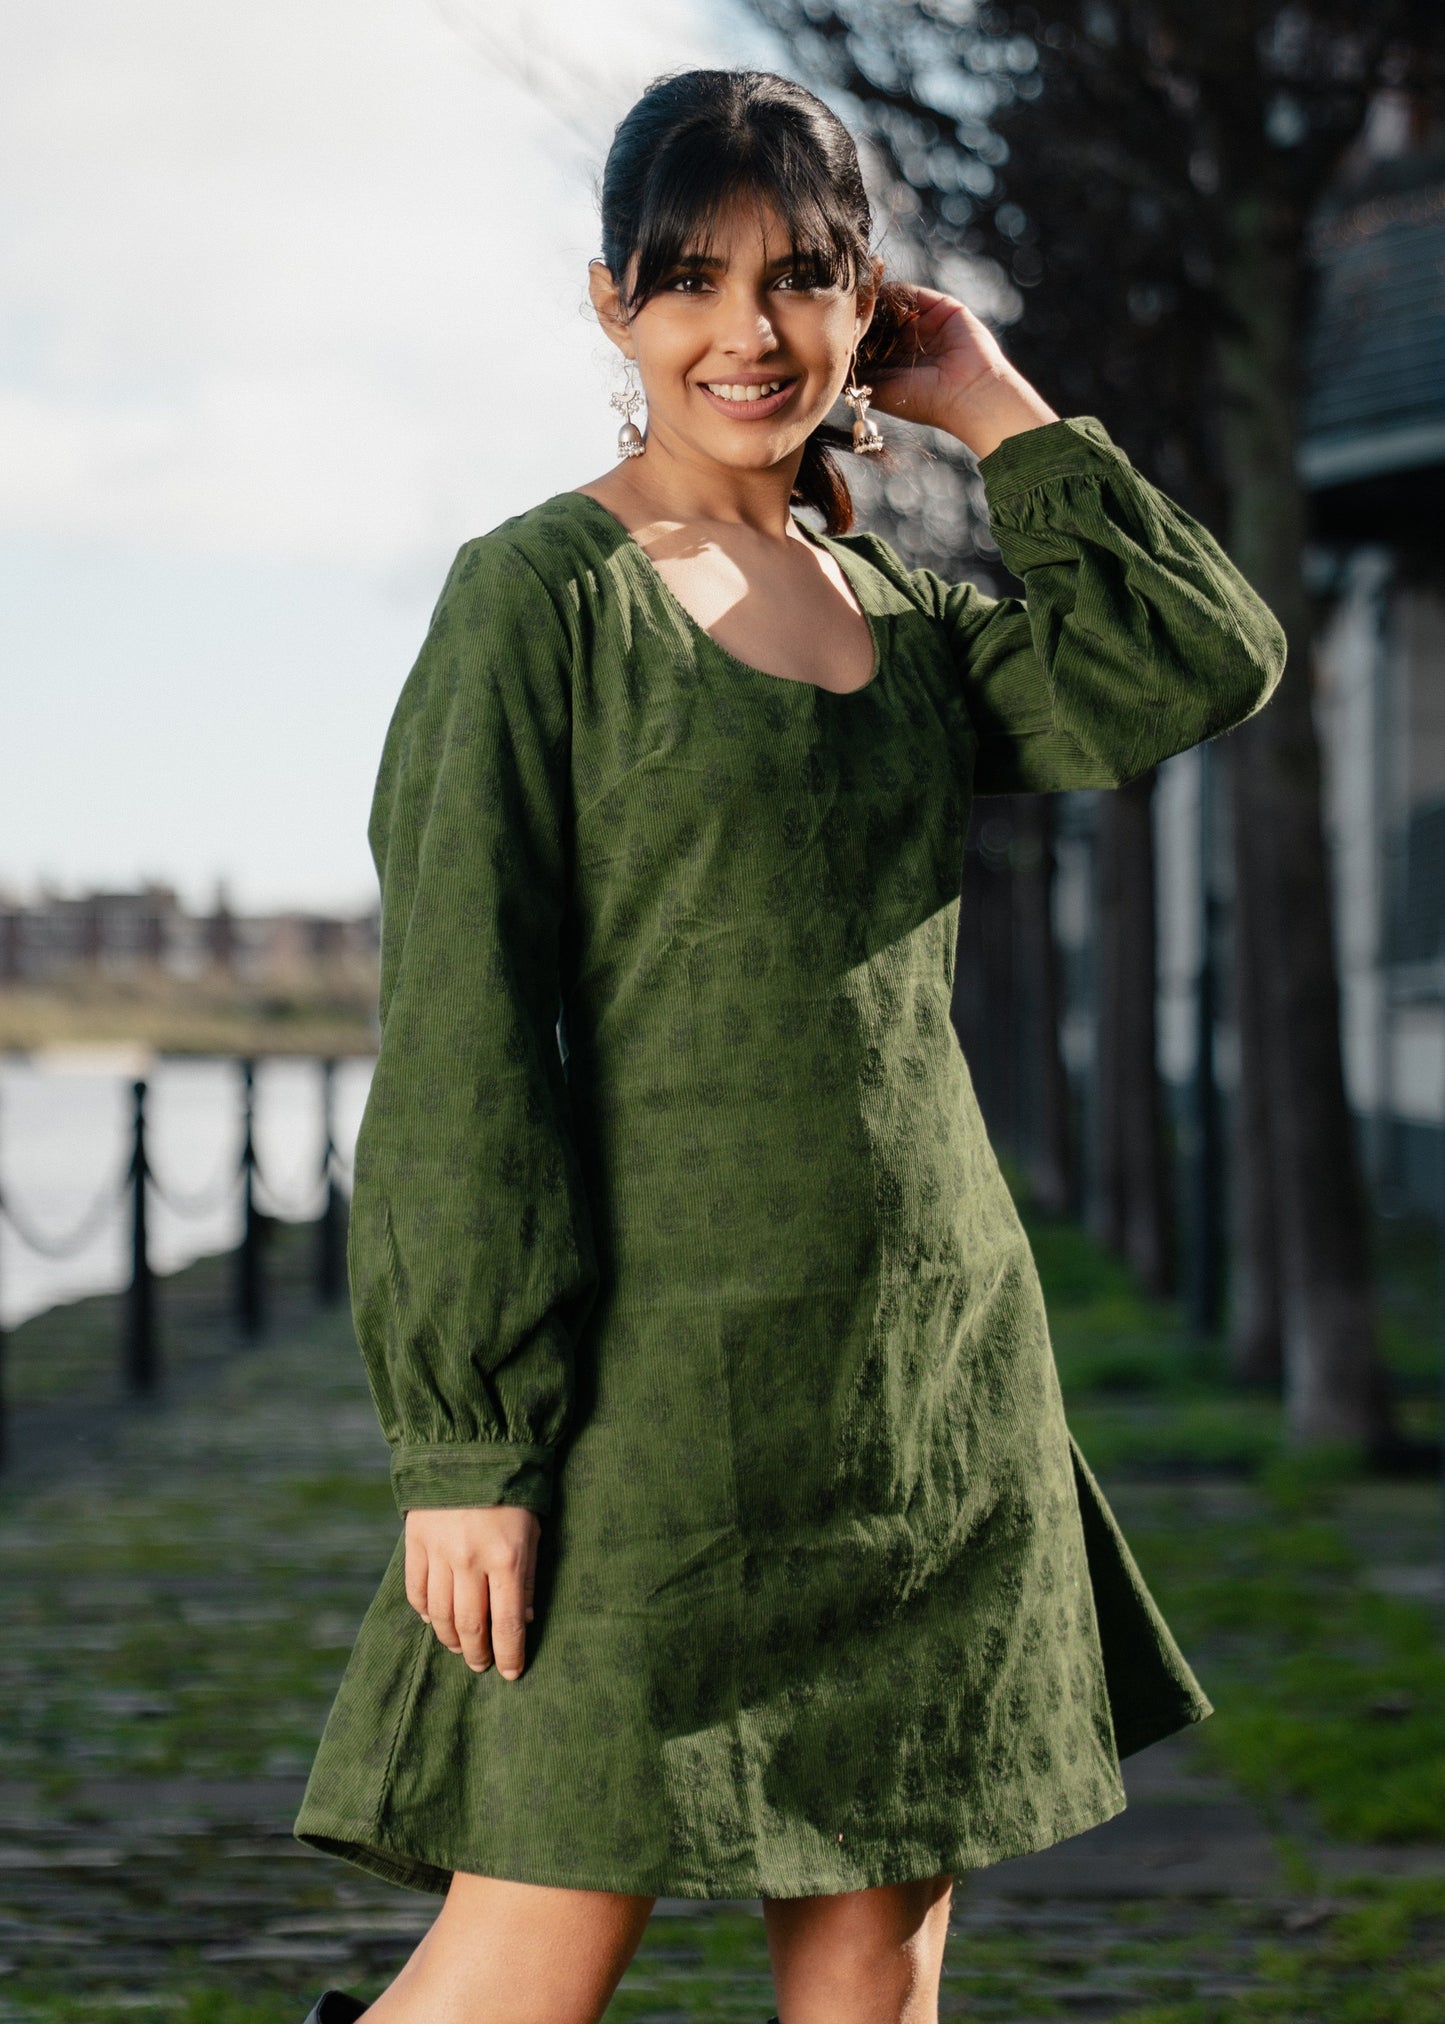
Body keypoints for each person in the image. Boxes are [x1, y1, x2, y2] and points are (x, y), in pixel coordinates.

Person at [291, 65, 1283, 2024]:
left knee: (875, 1972)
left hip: (927, 1394)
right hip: (648, 1412)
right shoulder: (538, 604)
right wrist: (466, 1443)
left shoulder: (904, 614)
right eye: (690, 281)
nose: (745, 333)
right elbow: (463, 1037)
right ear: (611, 304)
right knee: (528, 1955)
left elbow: (1197, 657)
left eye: (800, 279)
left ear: (866, 299)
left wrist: (987, 398)